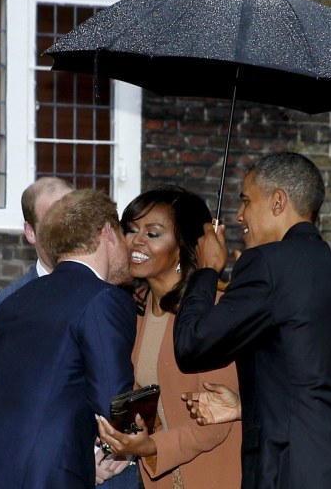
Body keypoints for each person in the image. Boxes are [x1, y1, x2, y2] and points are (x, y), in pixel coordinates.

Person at [173, 152, 331, 489]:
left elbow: (192, 345)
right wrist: (244, 407)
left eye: (246, 201)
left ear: (278, 202)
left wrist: (206, 270)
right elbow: (319, 392)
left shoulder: (266, 263)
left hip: (293, 474)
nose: (238, 215)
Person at [0, 189, 137, 489]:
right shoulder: (103, 299)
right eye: (124, 234)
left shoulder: (14, 300)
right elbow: (113, 408)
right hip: (40, 477)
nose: (128, 247)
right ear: (108, 232)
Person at [96, 186, 242, 489]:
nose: (136, 241)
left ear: (184, 246)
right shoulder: (137, 307)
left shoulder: (211, 311)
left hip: (214, 476)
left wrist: (152, 448)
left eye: (153, 234)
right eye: (131, 229)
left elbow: (215, 424)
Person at [0, 176, 73, 408]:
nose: (65, 234)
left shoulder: (108, 297)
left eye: (72, 221)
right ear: (30, 232)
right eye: (52, 224)